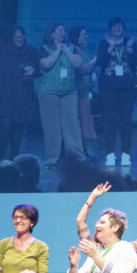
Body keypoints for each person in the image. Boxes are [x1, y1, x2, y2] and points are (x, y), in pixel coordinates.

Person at [0, 20, 40, 161]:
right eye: (17, 37)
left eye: (21, 36)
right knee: (4, 126)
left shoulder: (31, 50)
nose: (20, 39)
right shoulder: (4, 48)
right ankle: (0, 156)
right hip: (5, 94)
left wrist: (33, 71)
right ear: (12, 38)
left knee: (18, 126)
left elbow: (39, 69)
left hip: (22, 94)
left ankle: (14, 157)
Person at [38, 23, 87, 169]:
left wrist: (66, 51)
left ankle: (77, 157)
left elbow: (77, 64)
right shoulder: (44, 49)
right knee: (51, 127)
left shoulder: (71, 48)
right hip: (49, 92)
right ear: (52, 33)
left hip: (69, 92)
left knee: (72, 126)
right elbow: (46, 64)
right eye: (60, 30)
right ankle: (52, 159)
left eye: (64, 31)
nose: (63, 33)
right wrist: (57, 51)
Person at [96, 17, 137, 167]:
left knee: (126, 120)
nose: (117, 29)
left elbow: (136, 63)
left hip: (127, 87)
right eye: (114, 27)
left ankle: (126, 154)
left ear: (123, 28)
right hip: (108, 86)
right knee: (109, 120)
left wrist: (131, 52)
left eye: (119, 26)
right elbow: (100, 62)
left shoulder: (130, 42)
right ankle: (110, 154)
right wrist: (110, 48)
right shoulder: (104, 43)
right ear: (110, 29)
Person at [68, 26, 98, 158]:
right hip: (79, 93)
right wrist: (94, 61)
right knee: (81, 122)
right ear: (76, 37)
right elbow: (81, 70)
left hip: (84, 92)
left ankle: (83, 151)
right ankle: (79, 152)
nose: (86, 37)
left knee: (84, 122)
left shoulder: (81, 50)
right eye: (83, 35)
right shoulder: (74, 50)